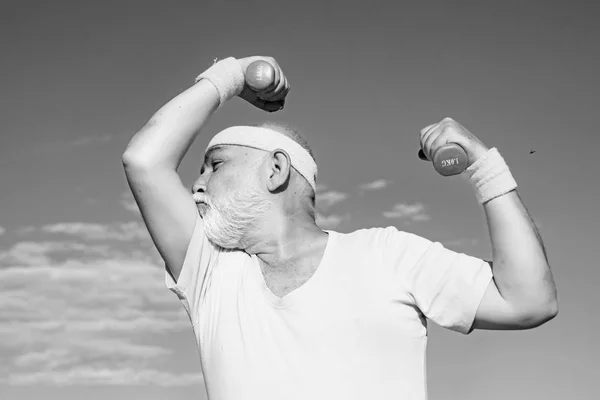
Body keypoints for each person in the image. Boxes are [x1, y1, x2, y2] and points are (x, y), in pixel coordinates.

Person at [122, 56, 558, 400]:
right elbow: (145, 160)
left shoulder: (388, 255)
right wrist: (231, 74)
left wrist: (484, 166)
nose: (197, 185)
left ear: (276, 170)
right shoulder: (212, 275)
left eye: (214, 165)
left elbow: (527, 300)